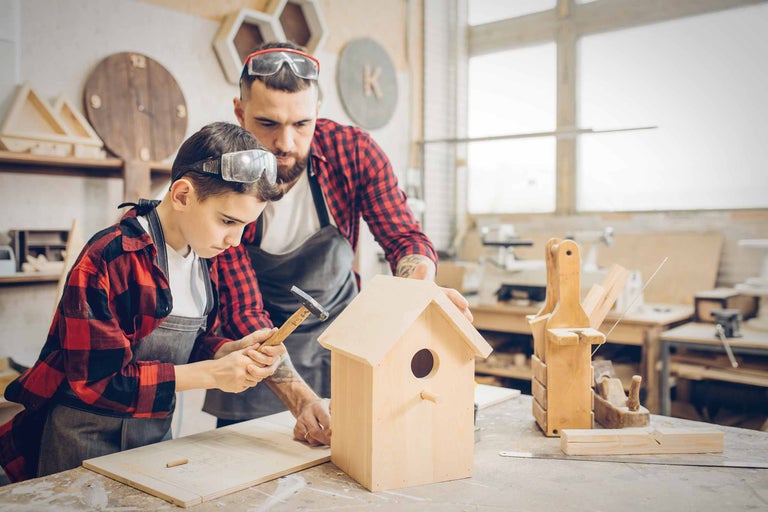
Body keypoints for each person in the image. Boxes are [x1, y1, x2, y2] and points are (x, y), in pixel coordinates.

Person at [203, 42, 473, 443]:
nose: (286, 144)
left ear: (317, 114)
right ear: (240, 113)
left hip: (342, 341)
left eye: (301, 124)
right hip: (256, 350)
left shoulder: (353, 152)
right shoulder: (222, 173)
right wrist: (301, 400)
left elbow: (403, 236)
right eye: (268, 124)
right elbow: (243, 308)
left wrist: (419, 287)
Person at [0, 122, 288, 483]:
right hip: (81, 442)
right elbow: (96, 382)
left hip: (151, 442)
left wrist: (225, 351)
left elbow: (186, 344)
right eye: (227, 220)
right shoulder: (109, 257)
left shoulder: (200, 258)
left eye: (245, 225)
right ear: (182, 195)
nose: (234, 240)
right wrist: (211, 375)